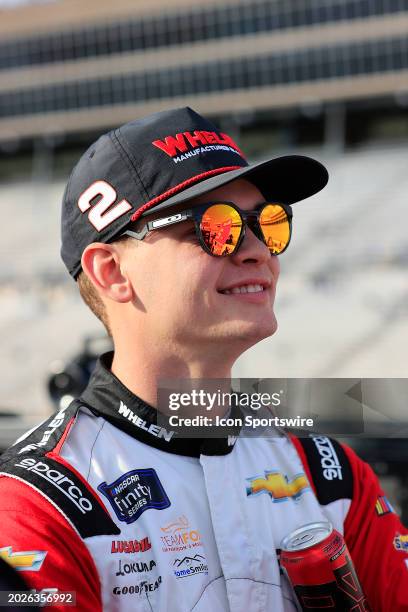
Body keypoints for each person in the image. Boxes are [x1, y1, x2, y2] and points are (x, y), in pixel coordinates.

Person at [0, 107, 407, 611]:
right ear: (111, 272)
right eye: (215, 227)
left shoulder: (332, 473)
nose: (259, 250)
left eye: (269, 224)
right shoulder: (37, 506)